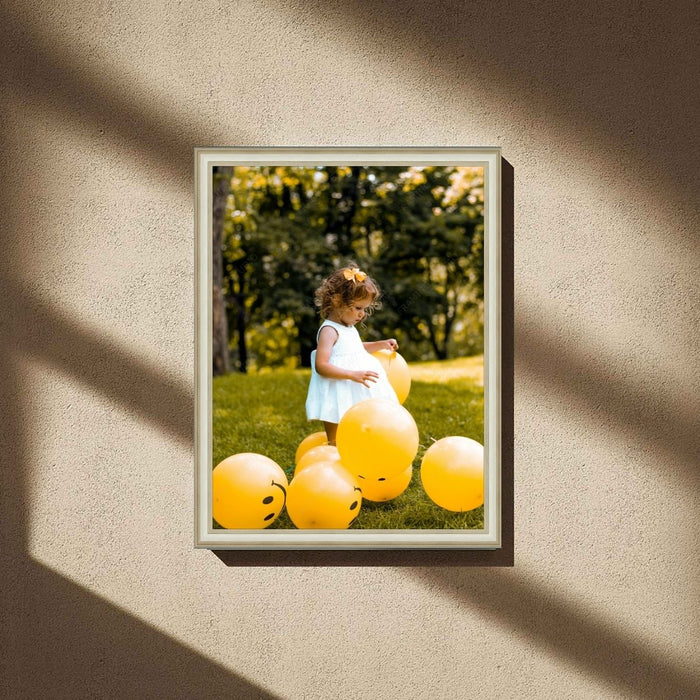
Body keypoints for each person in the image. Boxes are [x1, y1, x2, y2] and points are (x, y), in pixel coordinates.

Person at [305, 264, 399, 445]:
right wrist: (352, 374)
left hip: (353, 387)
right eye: (358, 308)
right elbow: (321, 365)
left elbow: (355, 349)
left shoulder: (348, 328)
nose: (362, 314)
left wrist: (381, 344)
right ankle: (333, 452)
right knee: (336, 439)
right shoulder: (329, 330)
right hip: (337, 388)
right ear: (337, 302)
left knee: (359, 430)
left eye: (364, 309)